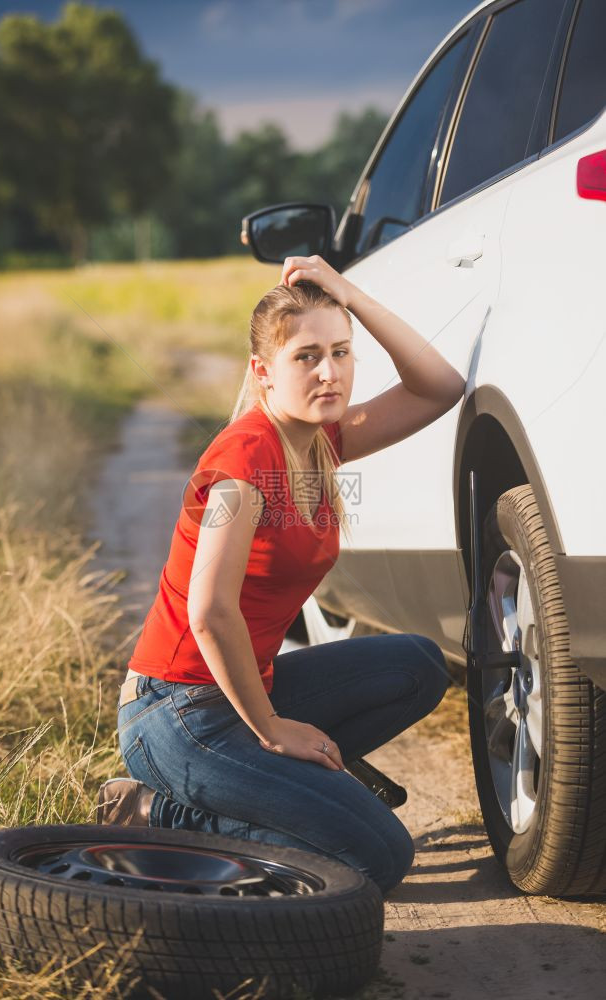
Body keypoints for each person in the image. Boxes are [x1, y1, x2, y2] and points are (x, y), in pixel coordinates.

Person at [97, 254, 465, 898]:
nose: (330, 372)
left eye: (341, 352)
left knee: (419, 665)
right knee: (378, 858)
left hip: (241, 693)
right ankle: (155, 811)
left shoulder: (321, 440)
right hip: (177, 713)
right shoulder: (243, 462)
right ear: (263, 373)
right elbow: (209, 613)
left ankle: (284, 791)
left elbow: (439, 387)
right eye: (306, 357)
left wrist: (349, 292)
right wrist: (273, 729)